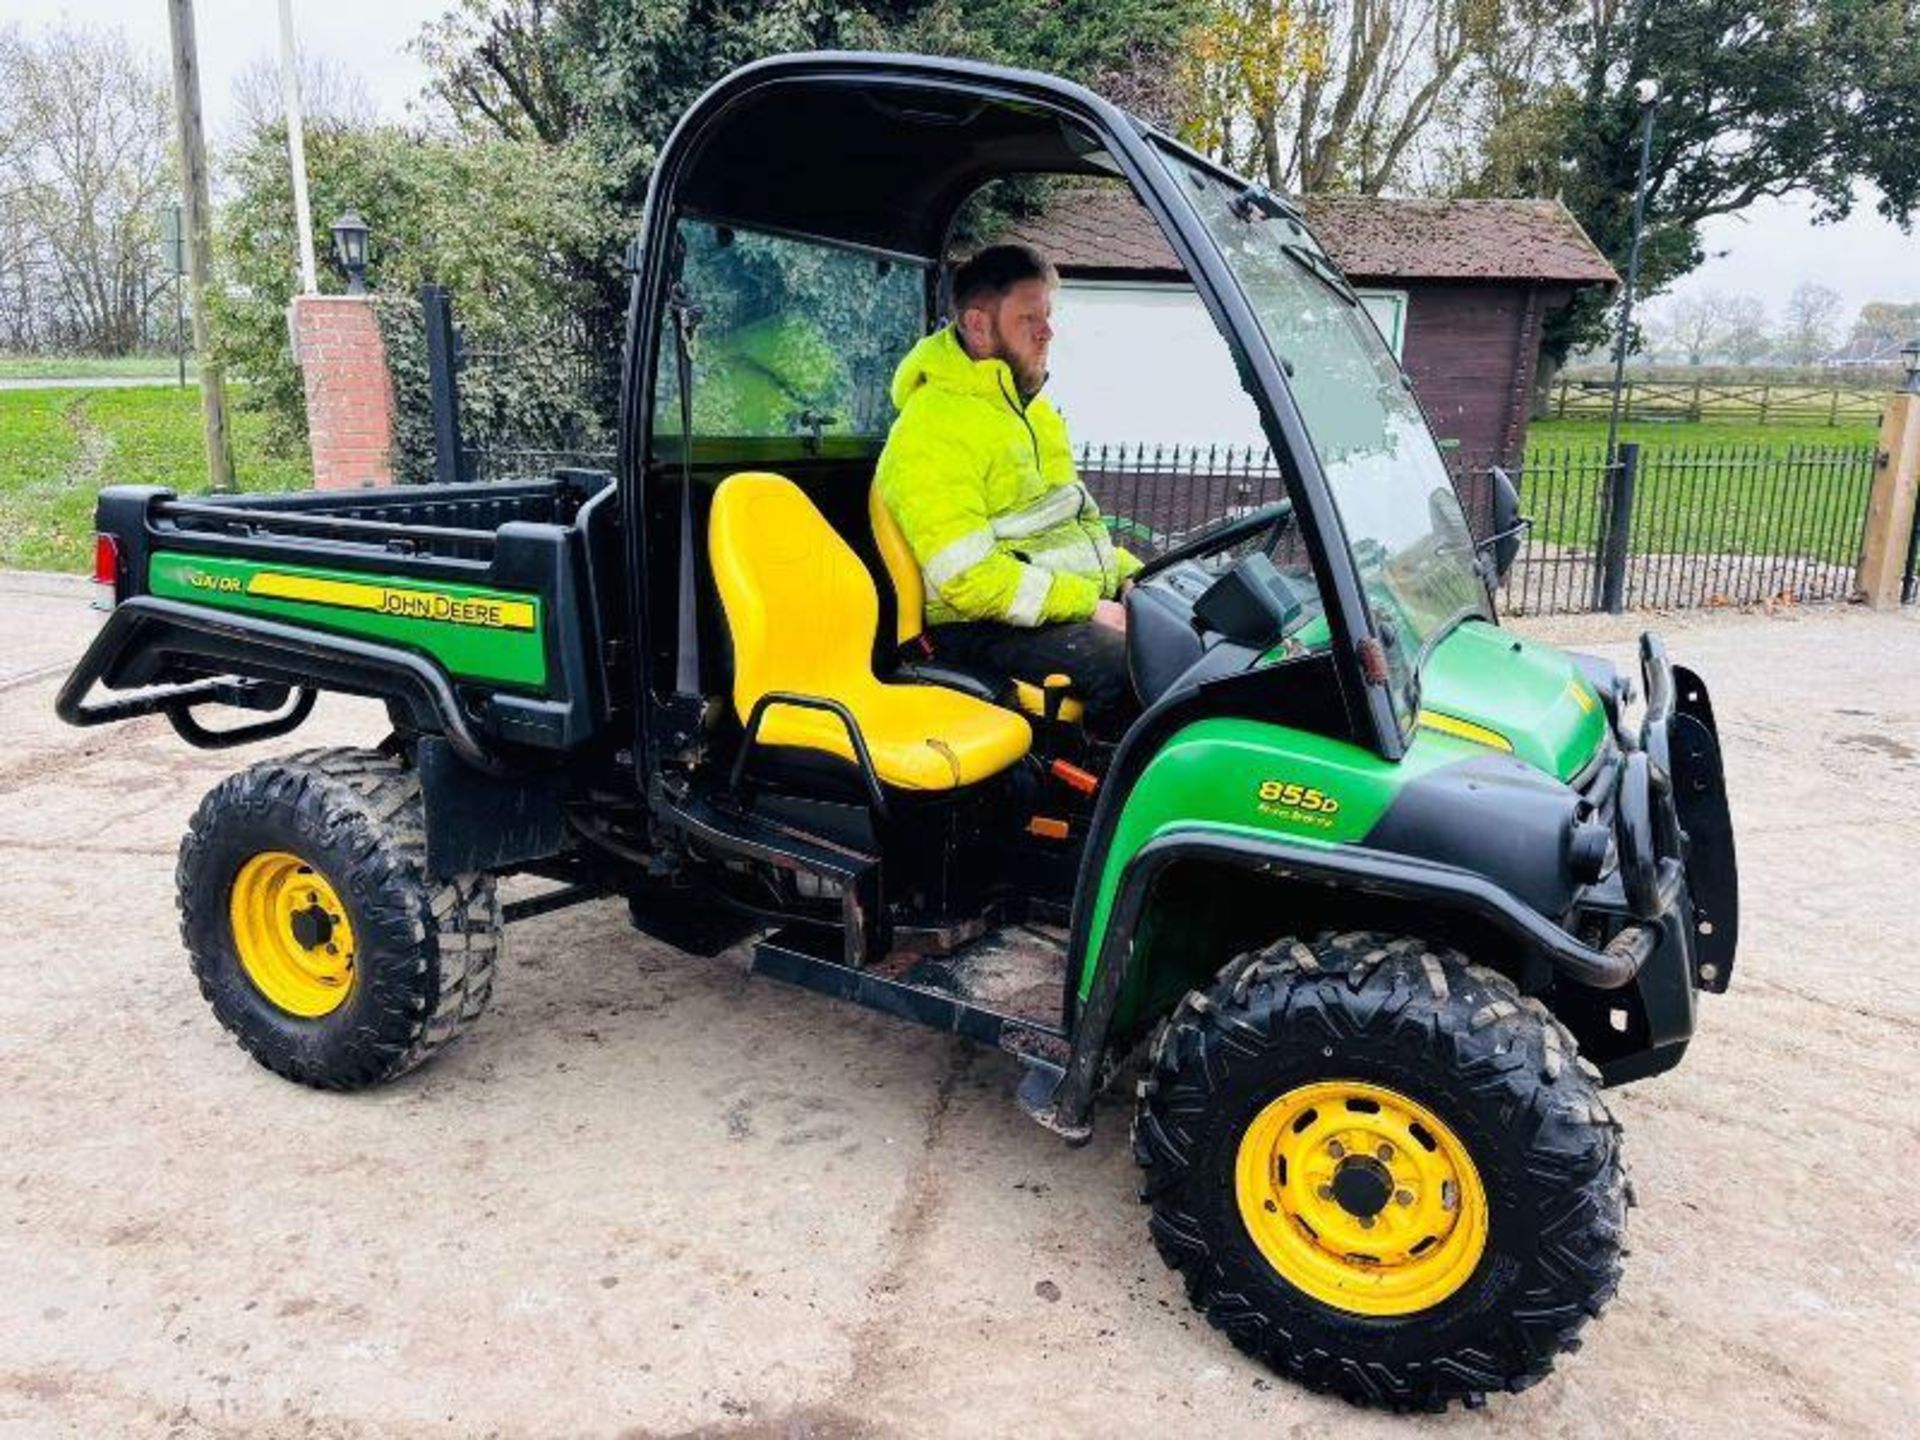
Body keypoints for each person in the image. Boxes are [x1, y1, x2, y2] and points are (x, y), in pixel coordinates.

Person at [875, 243, 1141, 734]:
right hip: (972, 625)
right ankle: (1106, 805)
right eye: (1028, 319)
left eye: (1048, 315)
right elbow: (968, 579)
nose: (1047, 332)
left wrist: (1134, 577)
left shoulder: (1031, 410)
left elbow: (1069, 530)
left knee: (1184, 627)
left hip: (1046, 608)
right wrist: (1089, 604)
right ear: (978, 325)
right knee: (1132, 667)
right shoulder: (933, 428)